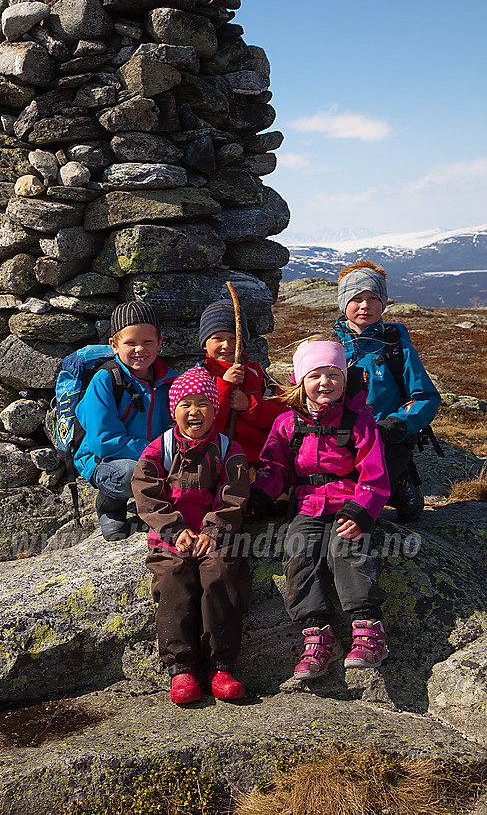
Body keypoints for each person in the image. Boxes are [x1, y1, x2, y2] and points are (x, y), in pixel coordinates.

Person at [247, 339, 390, 681]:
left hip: (350, 503)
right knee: (298, 553)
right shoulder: (285, 424)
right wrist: (259, 498)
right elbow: (273, 467)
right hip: (307, 507)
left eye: (333, 375)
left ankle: (368, 629)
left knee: (347, 549)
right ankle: (317, 635)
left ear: (344, 379)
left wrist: (362, 512)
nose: (325, 382)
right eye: (315, 375)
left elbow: (376, 475)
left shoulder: (359, 422)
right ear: (300, 381)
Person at [131, 365, 251, 704]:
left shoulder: (230, 450)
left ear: (215, 410)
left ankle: (221, 666)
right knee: (173, 580)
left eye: (202, 403)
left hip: (217, 537)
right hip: (173, 539)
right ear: (174, 411)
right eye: (186, 404)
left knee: (221, 576)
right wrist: (173, 529)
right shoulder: (160, 449)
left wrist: (213, 530)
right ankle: (181, 668)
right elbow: (147, 492)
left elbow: (233, 494)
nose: (194, 411)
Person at [334, 260, 441, 522]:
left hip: (387, 436)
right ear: (343, 302)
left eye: (373, 297)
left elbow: (425, 397)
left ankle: (401, 482)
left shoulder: (397, 348)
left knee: (378, 497)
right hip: (342, 437)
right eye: (356, 298)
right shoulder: (330, 347)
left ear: (383, 302)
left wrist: (397, 424)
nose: (365, 305)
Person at [74, 300, 177, 541]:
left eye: (147, 342)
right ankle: (110, 506)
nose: (140, 349)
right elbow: (104, 441)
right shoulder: (105, 381)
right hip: (106, 461)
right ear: (114, 345)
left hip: (156, 457)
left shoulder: (172, 381)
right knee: (131, 473)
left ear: (160, 342)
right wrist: (157, 453)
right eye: (130, 343)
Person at [199, 299, 288, 468]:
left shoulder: (256, 374)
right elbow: (204, 424)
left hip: (257, 461)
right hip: (215, 462)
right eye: (218, 338)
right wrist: (224, 387)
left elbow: (281, 416)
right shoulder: (200, 377)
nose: (227, 345)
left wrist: (249, 406)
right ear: (204, 343)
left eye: (234, 338)